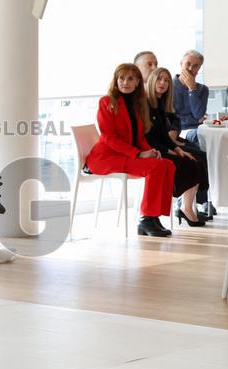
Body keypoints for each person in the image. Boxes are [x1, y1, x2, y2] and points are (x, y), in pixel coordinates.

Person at [86, 63, 176, 237]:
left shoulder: (137, 104)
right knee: (155, 167)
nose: (125, 82)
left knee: (167, 164)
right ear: (116, 80)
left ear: (137, 83)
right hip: (105, 157)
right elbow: (108, 137)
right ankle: (146, 219)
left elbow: (139, 137)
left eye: (130, 79)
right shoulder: (106, 102)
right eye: (121, 78)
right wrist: (138, 154)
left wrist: (150, 151)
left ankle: (154, 217)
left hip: (124, 154)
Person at [144, 67, 209, 227]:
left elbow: (172, 124)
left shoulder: (162, 103)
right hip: (151, 148)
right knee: (189, 161)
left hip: (165, 143)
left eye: (166, 80)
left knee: (199, 156)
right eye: (159, 79)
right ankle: (184, 208)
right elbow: (149, 137)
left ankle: (187, 207)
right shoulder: (144, 103)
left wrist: (176, 147)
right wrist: (171, 149)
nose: (163, 83)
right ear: (152, 81)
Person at [172, 50, 208, 144]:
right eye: (188, 64)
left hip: (199, 130)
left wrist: (192, 89)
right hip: (177, 131)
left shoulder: (203, 89)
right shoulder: (168, 86)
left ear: (199, 69)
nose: (190, 68)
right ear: (181, 64)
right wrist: (195, 120)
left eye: (195, 66)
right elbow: (171, 119)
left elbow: (198, 114)